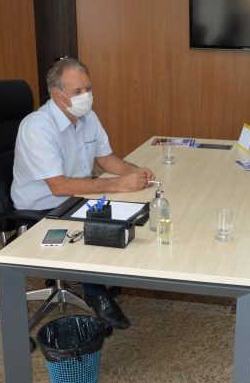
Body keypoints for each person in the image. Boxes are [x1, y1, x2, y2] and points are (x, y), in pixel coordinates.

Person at [11, 57, 156, 329]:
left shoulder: (88, 117)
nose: (86, 96)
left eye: (88, 88)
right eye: (77, 91)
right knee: (102, 221)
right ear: (57, 94)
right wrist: (117, 184)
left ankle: (102, 278)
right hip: (43, 207)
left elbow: (106, 159)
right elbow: (59, 186)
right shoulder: (37, 127)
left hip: (78, 198)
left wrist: (138, 173)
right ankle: (95, 293)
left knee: (132, 213)